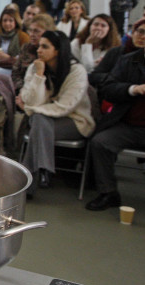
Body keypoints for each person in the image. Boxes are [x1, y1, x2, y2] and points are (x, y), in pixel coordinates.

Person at [16, 31, 95, 194]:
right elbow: (31, 100)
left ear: (58, 50)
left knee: (38, 121)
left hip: (74, 120)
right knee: (39, 120)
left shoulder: (76, 71)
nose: (39, 50)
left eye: (45, 47)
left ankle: (28, 183)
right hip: (43, 120)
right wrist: (39, 75)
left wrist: (30, 109)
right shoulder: (35, 67)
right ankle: (43, 170)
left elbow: (65, 106)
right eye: (39, 46)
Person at [85, 43, 145, 211]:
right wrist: (133, 89)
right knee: (101, 142)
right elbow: (107, 89)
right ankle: (108, 192)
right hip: (128, 124)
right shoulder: (128, 61)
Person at [89, 18, 145, 90]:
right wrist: (115, 76)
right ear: (133, 33)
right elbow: (94, 76)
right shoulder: (116, 52)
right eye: (141, 31)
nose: (143, 37)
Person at [12, 13, 57, 94]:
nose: (32, 34)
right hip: (22, 89)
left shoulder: (53, 51)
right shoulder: (26, 47)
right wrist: (22, 90)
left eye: (36, 31)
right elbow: (16, 72)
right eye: (30, 30)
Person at [0, 7, 29, 76]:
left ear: (15, 22)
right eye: (5, 20)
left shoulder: (23, 37)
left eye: (10, 21)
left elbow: (25, 60)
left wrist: (8, 58)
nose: (7, 23)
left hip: (16, 71)